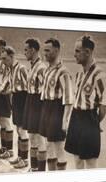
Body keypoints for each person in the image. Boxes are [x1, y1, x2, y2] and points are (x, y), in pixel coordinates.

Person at [65, 35, 106, 169]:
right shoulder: (79, 74)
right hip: (75, 118)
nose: (74, 55)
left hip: (89, 119)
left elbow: (104, 105)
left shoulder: (100, 75)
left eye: (78, 51)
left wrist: (93, 122)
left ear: (88, 52)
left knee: (90, 162)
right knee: (77, 159)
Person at [0, 46, 30, 168]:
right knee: (18, 129)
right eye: (1, 59)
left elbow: (29, 88)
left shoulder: (21, 69)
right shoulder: (10, 69)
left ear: (12, 57)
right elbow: (5, 88)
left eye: (5, 59)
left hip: (24, 99)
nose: (3, 62)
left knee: (22, 130)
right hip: (16, 99)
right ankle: (19, 156)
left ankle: (25, 160)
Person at [39, 38, 74, 171]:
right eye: (44, 50)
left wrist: (64, 120)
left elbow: (69, 98)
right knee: (48, 144)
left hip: (57, 110)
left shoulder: (63, 72)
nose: (45, 53)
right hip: (47, 107)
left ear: (57, 50)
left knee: (58, 146)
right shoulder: (48, 70)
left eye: (48, 50)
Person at [22, 38, 48, 171]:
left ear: (33, 50)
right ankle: (34, 168)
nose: (24, 52)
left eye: (26, 50)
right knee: (32, 136)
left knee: (39, 138)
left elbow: (46, 91)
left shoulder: (42, 68)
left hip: (38, 103)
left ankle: (41, 171)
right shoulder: (32, 66)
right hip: (31, 101)